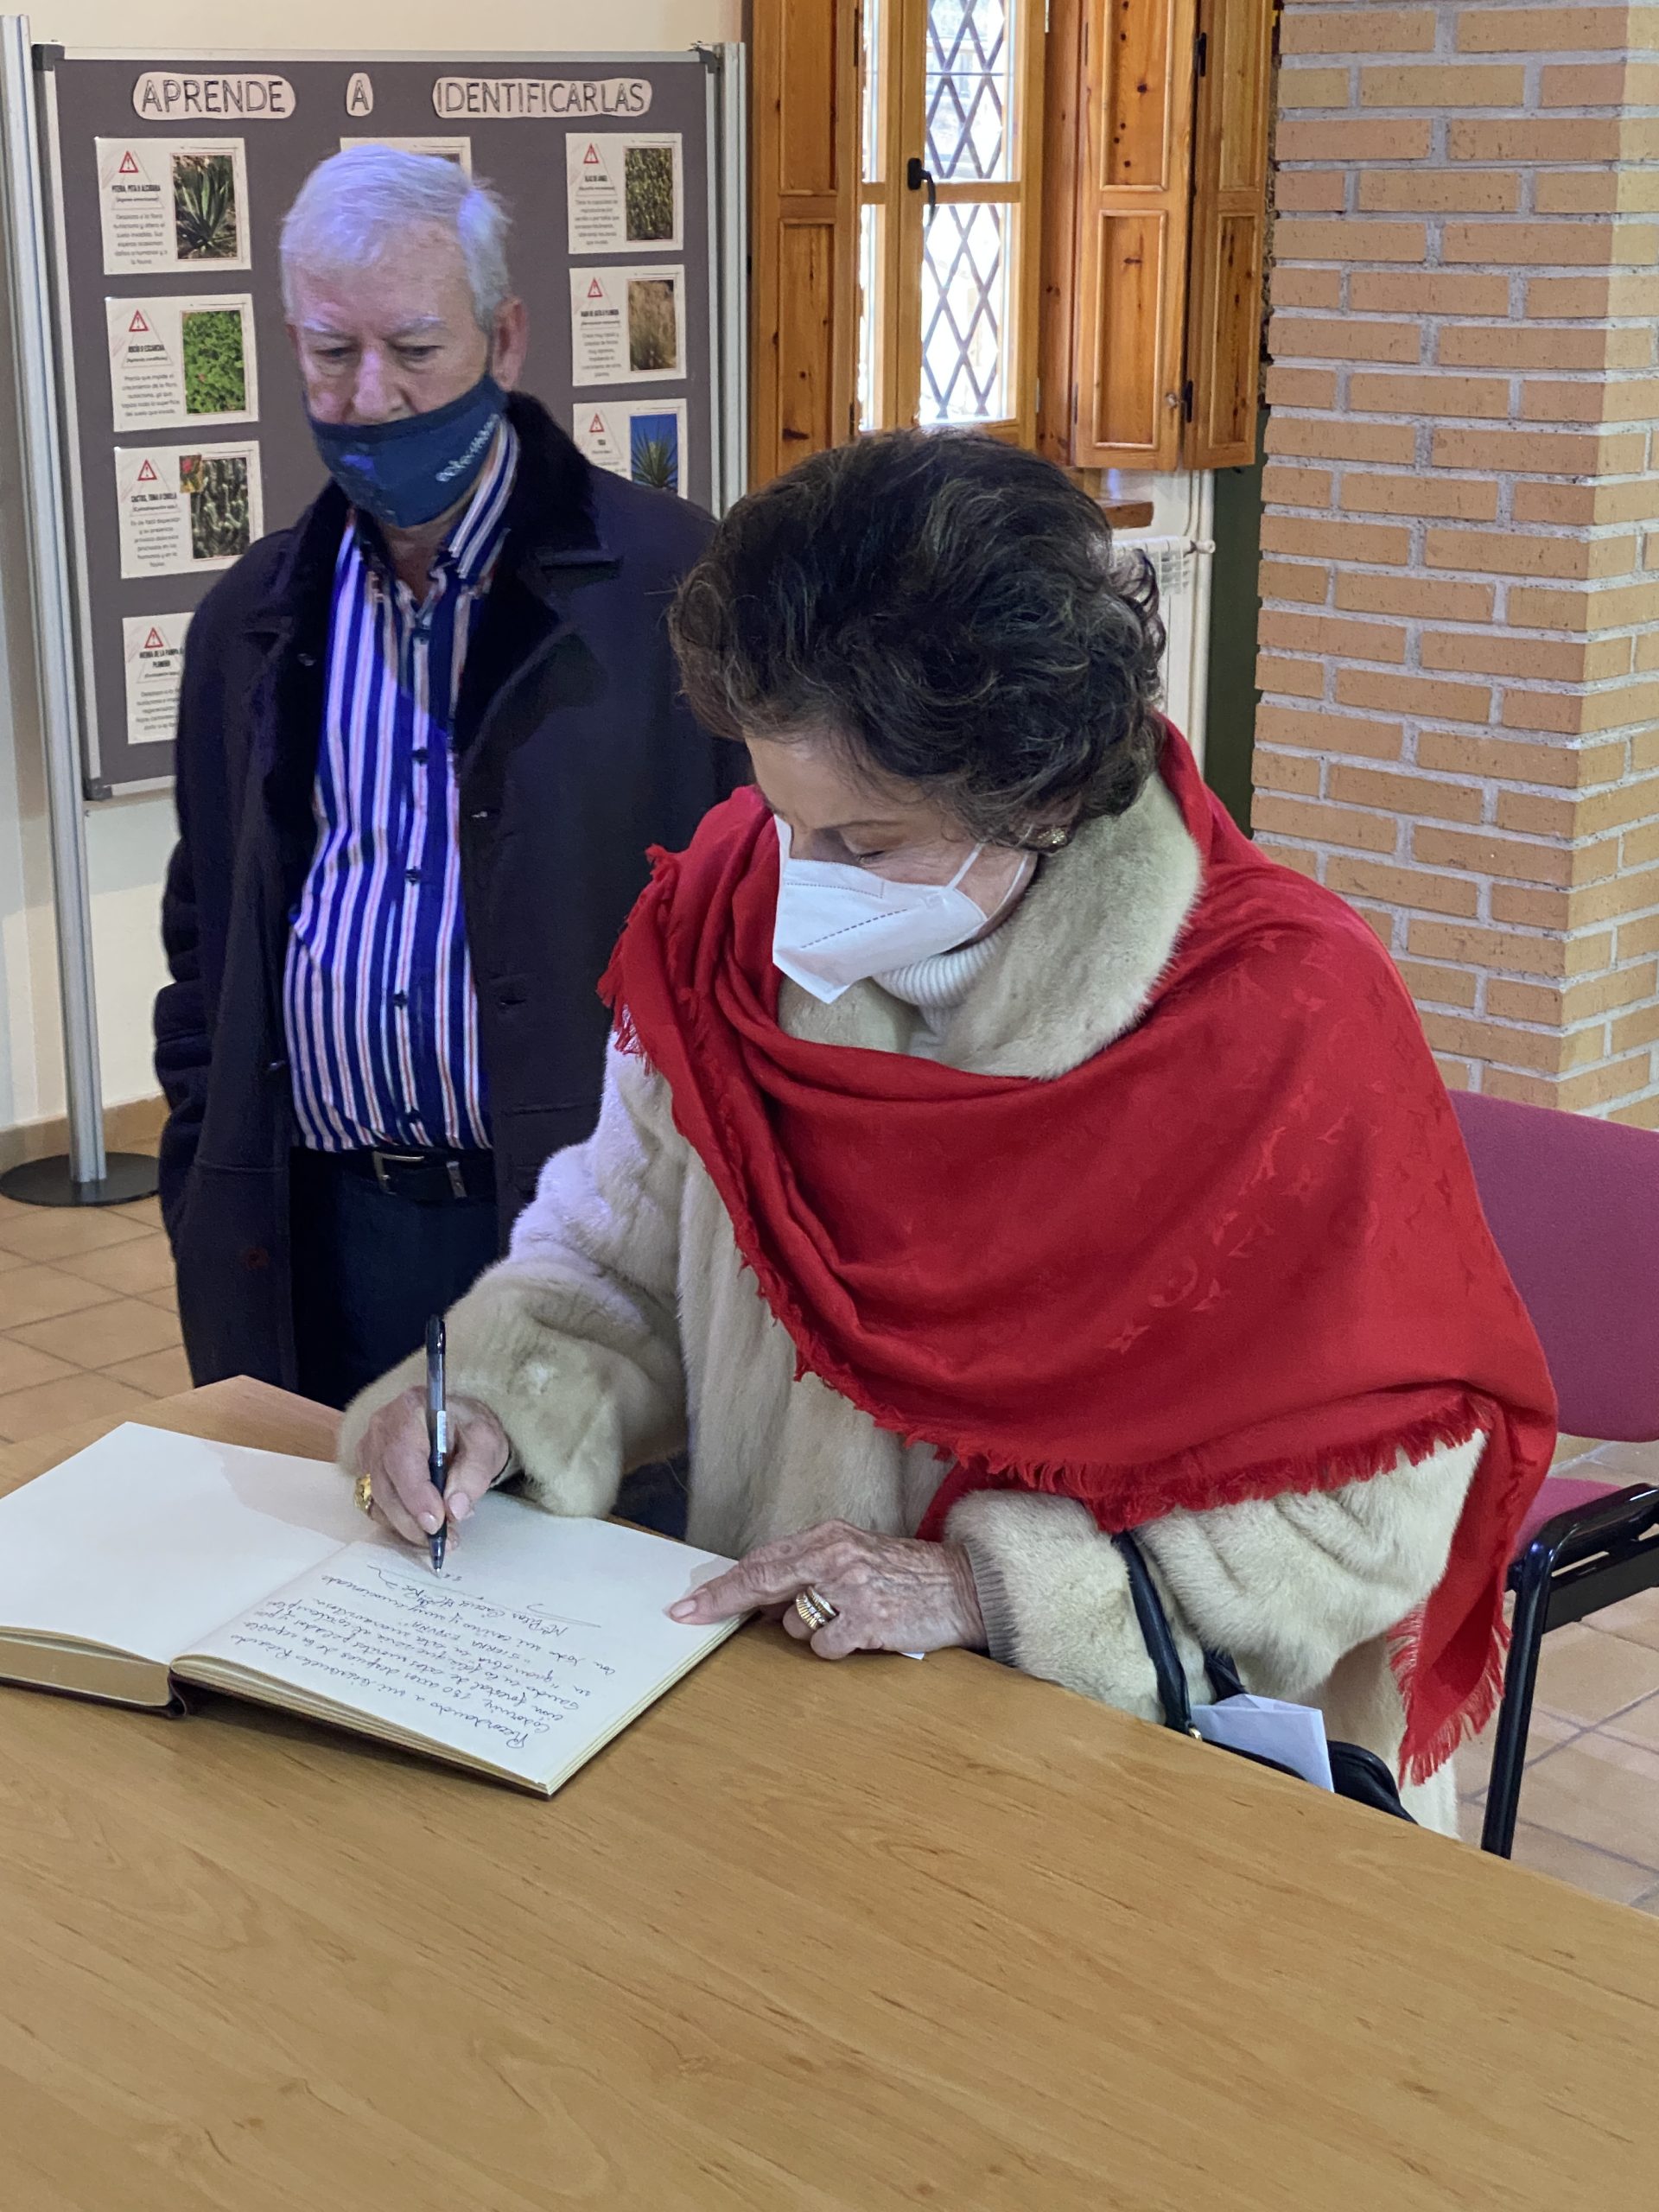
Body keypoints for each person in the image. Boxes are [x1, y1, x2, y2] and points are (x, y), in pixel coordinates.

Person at [341, 430, 1556, 1833]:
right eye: (771, 809)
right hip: (803, 1757)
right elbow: (618, 1264)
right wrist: (497, 1403)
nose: (789, 889)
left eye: (863, 846)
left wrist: (995, 1590)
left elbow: (1374, 1504)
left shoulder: (1278, 1017)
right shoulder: (724, 927)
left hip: (1143, 1787)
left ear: (1036, 797)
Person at [153, 146, 739, 1420]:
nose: (372, 398)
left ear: (506, 339)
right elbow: (206, 939)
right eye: (330, 352)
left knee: (560, 1595)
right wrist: (207, 1170)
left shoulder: (672, 591)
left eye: (416, 351)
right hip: (321, 1233)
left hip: (573, 1235)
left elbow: (767, 931)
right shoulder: (246, 622)